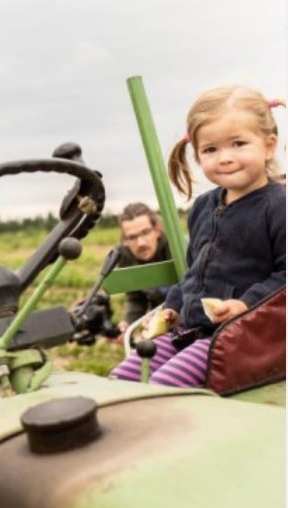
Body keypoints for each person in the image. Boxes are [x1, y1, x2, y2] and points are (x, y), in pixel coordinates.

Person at [110, 86, 285, 387]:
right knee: (120, 383)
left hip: (239, 339)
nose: (225, 158)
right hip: (190, 330)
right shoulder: (203, 206)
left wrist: (245, 305)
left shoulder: (278, 206)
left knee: (159, 390)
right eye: (210, 150)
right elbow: (194, 273)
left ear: (269, 146)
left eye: (239, 144)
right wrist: (173, 307)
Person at [115, 202, 173, 331]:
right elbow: (137, 299)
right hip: (158, 323)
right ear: (124, 240)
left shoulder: (176, 248)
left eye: (145, 232)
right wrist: (128, 322)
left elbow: (191, 293)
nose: (140, 243)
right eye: (132, 237)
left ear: (157, 230)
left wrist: (158, 315)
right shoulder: (125, 257)